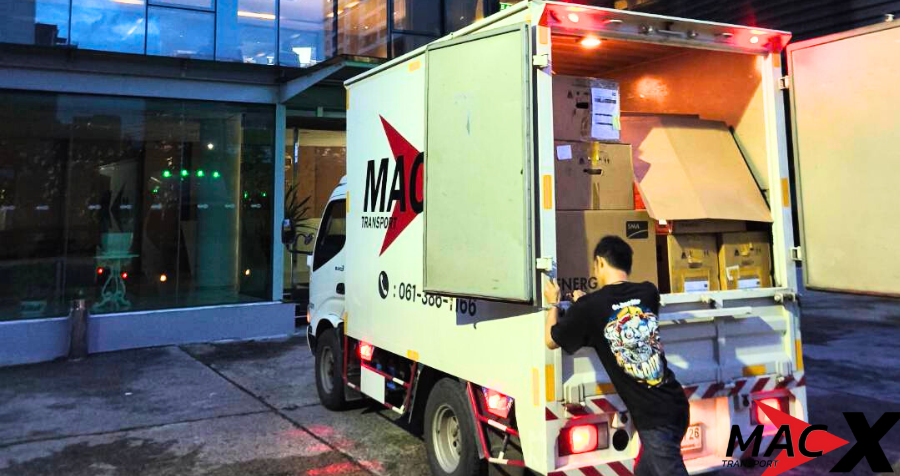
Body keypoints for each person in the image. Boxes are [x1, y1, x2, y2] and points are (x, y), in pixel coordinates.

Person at [544, 235, 690, 476]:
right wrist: (585, 304)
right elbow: (614, 305)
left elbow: (551, 340)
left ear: (600, 263)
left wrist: (554, 304)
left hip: (655, 420)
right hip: (675, 404)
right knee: (645, 471)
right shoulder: (648, 292)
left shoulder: (590, 308)